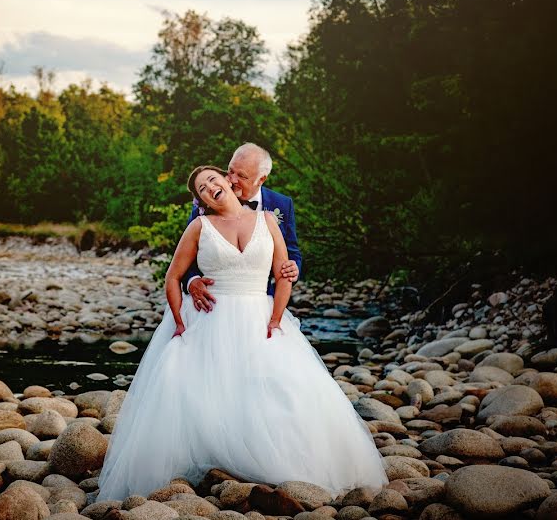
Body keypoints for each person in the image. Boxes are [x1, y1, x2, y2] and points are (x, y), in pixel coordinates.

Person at [97, 165, 387, 501]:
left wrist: (277, 318)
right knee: (203, 389)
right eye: (202, 188)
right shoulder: (198, 226)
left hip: (259, 313)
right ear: (200, 199)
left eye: (213, 180)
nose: (209, 187)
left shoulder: (268, 219)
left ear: (228, 181)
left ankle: (285, 462)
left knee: (281, 387)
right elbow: (173, 276)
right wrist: (179, 321)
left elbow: (284, 271)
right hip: (211, 317)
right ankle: (211, 462)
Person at [184, 143, 301, 314]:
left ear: (261, 179)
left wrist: (293, 269)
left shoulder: (282, 204)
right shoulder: (205, 206)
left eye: (241, 176)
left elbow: (292, 252)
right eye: (230, 171)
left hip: (261, 304)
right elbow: (184, 257)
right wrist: (192, 281)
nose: (231, 179)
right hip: (212, 306)